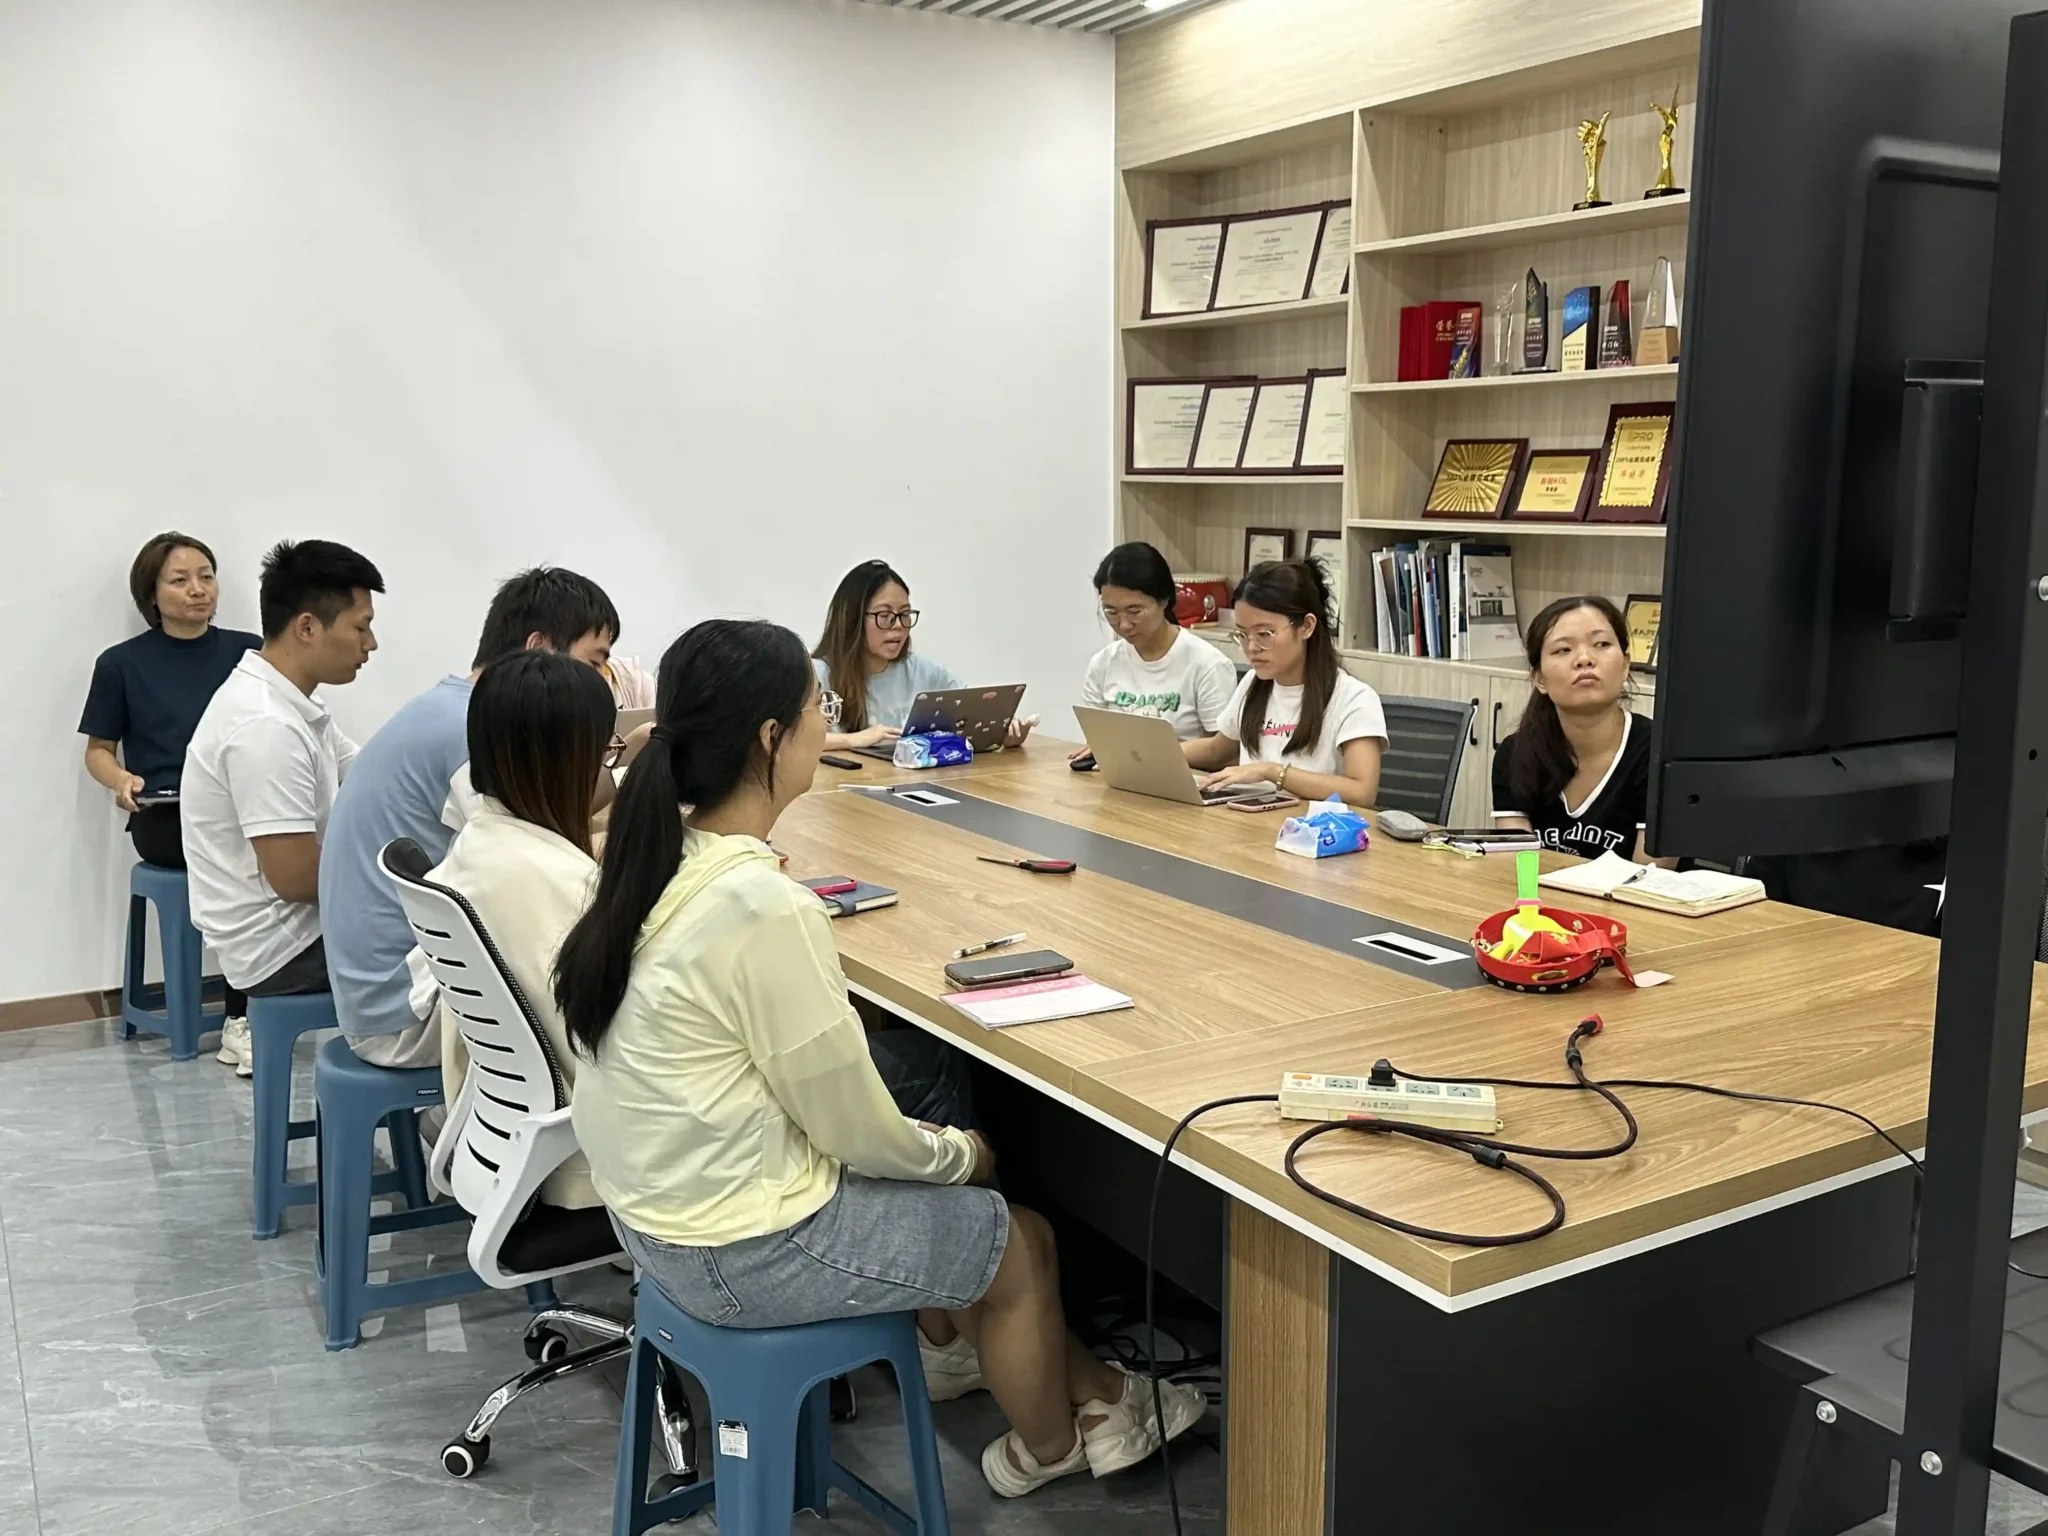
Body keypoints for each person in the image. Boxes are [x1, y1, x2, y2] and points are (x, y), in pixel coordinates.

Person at [554, 619, 1201, 1498]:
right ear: (772, 740)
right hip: (738, 1250)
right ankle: (1045, 1450)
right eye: (815, 707)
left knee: (940, 1166)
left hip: (653, 1221)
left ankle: (1062, 1381)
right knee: (1020, 1239)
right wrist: (961, 1154)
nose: (829, 721)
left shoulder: (649, 860)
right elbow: (861, 1136)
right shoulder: (762, 906)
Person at [320, 567, 623, 1072]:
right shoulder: (470, 733)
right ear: (538, 649)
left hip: (388, 985)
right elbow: (527, 854)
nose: (600, 685)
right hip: (403, 1009)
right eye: (595, 664)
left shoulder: (449, 708)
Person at [179, 540, 382, 1073]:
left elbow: (371, 778)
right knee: (472, 952)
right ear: (308, 627)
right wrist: (410, 878)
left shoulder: (296, 702)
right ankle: (440, 1115)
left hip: (302, 928)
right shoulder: (264, 725)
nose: (372, 643)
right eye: (360, 627)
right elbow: (294, 878)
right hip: (282, 949)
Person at [421, 649, 611, 1210]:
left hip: (507, 1139)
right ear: (565, 762)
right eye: (605, 753)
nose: (607, 772)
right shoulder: (559, 882)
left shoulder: (479, 845)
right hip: (583, 1154)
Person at [79, 532, 263, 1055]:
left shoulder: (248, 652)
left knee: (279, 848)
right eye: (179, 580)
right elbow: (98, 752)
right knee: (246, 858)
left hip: (239, 806)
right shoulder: (121, 663)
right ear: (151, 595)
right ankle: (240, 1020)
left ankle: (265, 1008)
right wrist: (121, 781)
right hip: (167, 814)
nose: (197, 590)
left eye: (206, 576)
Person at [1185, 559, 1386, 807]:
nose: (1251, 648)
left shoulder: (1353, 698)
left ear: (1306, 627)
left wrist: (1272, 772)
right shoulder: (1253, 683)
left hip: (1313, 835)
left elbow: (1362, 792)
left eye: (1264, 634)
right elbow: (1218, 750)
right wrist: (1153, 753)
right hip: (1247, 826)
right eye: (1242, 634)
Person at [1490, 594, 1654, 860]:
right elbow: (1517, 866)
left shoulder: (1659, 756)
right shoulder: (1516, 753)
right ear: (1540, 678)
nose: (1584, 659)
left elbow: (1650, 878)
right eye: (1563, 650)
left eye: (1601, 644)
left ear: (1625, 665)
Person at [811, 559, 1032, 753]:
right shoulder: (817, 675)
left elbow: (974, 717)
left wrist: (1002, 731)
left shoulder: (924, 672)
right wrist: (854, 740)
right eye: (885, 615)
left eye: (905, 614)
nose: (898, 626)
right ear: (853, 619)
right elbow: (785, 742)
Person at [1077, 541, 1236, 759]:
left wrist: (1149, 755)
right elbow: (1097, 741)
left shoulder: (1207, 664)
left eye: (1135, 611)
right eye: (1110, 611)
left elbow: (1226, 753)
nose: (1123, 625)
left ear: (1164, 600)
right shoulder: (1103, 663)